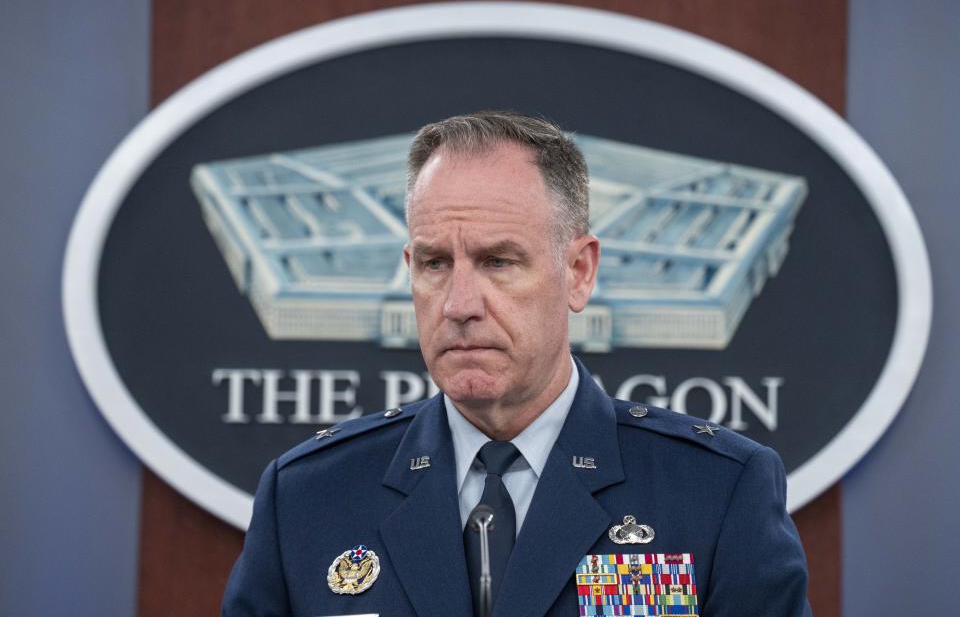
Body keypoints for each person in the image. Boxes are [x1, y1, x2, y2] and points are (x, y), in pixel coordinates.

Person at [222, 111, 811, 616]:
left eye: (499, 261)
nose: (459, 306)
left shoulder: (714, 491)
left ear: (578, 272)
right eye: (433, 264)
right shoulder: (308, 498)